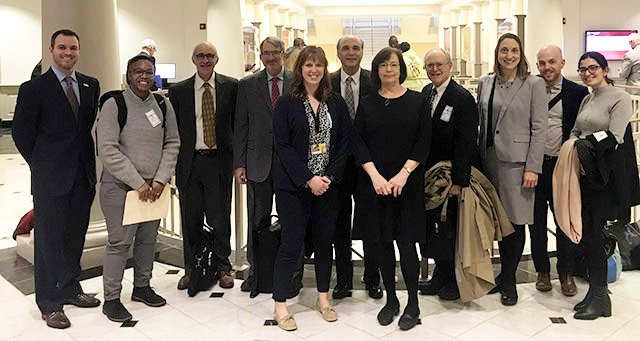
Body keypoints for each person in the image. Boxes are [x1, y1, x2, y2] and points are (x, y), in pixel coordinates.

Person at [12, 29, 101, 329]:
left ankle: (71, 288)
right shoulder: (33, 89)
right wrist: (40, 164)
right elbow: (21, 134)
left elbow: (85, 128)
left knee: (75, 237)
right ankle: (50, 303)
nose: (68, 53)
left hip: (82, 176)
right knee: (48, 242)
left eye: (73, 48)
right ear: (51, 50)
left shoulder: (90, 85)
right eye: (62, 47)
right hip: (50, 179)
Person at [271, 46, 353, 331]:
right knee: (291, 245)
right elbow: (282, 146)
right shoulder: (286, 103)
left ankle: (323, 298)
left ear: (325, 68)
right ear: (300, 69)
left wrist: (328, 177)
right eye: (308, 65)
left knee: (323, 243)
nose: (314, 70)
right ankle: (280, 304)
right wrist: (308, 178)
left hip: (328, 188)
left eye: (319, 65)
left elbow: (344, 143)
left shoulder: (336, 102)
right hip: (294, 188)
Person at [97, 54, 180, 322]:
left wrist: (159, 180)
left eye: (148, 72)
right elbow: (107, 149)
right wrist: (138, 183)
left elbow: (172, 143)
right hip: (121, 187)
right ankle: (111, 298)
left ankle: (142, 287)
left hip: (153, 188)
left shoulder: (162, 104)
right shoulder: (114, 103)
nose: (143, 76)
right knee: (120, 243)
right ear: (128, 74)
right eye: (137, 72)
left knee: (147, 240)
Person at [352, 47, 430, 330]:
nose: (389, 69)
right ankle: (391, 299)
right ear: (377, 70)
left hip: (405, 186)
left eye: (393, 64)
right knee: (382, 243)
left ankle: (413, 302)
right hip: (376, 186)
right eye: (383, 65)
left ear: (401, 69)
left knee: (406, 244)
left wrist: (403, 174)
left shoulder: (418, 101)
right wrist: (374, 176)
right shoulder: (368, 102)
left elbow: (423, 141)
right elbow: (358, 142)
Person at [477, 33, 547, 306]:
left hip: (518, 164)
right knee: (494, 220)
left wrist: (533, 167)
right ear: (497, 53)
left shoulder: (533, 84)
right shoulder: (486, 82)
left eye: (514, 50)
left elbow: (539, 128)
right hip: (489, 160)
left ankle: (509, 280)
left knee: (515, 222)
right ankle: (499, 276)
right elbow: (482, 120)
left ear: (521, 53)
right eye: (504, 50)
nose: (509, 55)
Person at [570, 51, 638, 320]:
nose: (588, 73)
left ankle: (600, 297)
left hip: (604, 179)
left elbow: (615, 137)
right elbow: (576, 130)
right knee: (588, 235)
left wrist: (585, 145)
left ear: (606, 69)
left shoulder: (619, 98)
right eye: (583, 69)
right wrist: (576, 143)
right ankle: (596, 293)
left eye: (593, 68)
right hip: (585, 176)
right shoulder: (587, 98)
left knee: (596, 236)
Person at [234, 37, 302, 294]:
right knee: (256, 219)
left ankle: (293, 273)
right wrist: (239, 164)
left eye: (275, 52)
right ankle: (256, 272)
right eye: (266, 53)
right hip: (257, 164)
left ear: (283, 54)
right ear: (260, 56)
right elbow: (241, 125)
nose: (271, 57)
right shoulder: (248, 84)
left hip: (291, 166)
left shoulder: (297, 80)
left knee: (292, 221)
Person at [169, 42, 238, 290]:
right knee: (191, 218)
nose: (205, 59)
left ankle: (222, 266)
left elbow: (236, 126)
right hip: (190, 163)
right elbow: (172, 130)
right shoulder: (179, 91)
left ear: (217, 59)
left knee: (220, 217)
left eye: (210, 55)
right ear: (193, 59)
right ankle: (192, 267)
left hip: (219, 161)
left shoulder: (231, 87)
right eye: (200, 55)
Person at [419, 47, 478, 301]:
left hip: (451, 177)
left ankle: (454, 281)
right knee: (436, 229)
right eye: (430, 65)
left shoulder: (462, 98)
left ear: (449, 66)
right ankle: (440, 276)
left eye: (439, 64)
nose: (434, 69)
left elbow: (467, 143)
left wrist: (459, 181)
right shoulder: (426, 93)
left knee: (452, 229)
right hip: (430, 177)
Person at [532, 45, 589, 295]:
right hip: (533, 167)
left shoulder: (577, 93)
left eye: (552, 62)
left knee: (564, 220)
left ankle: (566, 273)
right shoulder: (529, 89)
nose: (547, 67)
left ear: (562, 63)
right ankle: (542, 271)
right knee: (534, 223)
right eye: (542, 63)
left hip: (562, 167)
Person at [328, 34, 382, 300]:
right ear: (337, 53)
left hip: (368, 165)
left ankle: (373, 278)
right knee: (339, 224)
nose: (351, 52)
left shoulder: (377, 80)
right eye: (346, 48)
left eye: (356, 48)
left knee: (370, 222)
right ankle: (344, 280)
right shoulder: (326, 82)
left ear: (363, 52)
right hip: (336, 165)